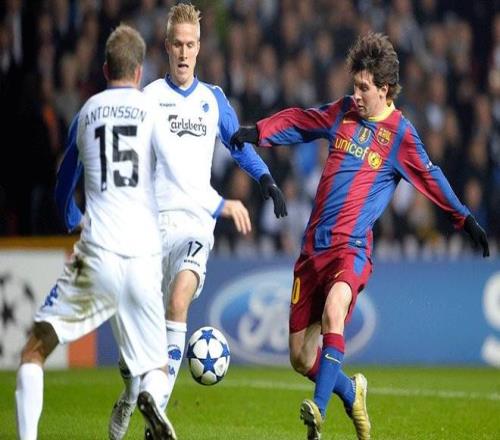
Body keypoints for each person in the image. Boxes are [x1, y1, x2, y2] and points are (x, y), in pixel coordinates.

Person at [231, 32, 490, 440]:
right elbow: (301, 120)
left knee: (335, 311)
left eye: (364, 88)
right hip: (312, 250)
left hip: (350, 249)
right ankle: (351, 393)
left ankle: (317, 410)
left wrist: (464, 218)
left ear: (384, 89)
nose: (356, 94)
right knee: (300, 357)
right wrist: (259, 132)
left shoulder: (400, 135)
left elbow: (431, 177)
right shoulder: (343, 113)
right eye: (354, 85)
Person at [108, 4, 287, 440]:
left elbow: (238, 146)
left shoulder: (213, 99)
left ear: (200, 47)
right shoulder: (149, 98)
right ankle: (132, 393)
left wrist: (266, 180)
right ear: (167, 47)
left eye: (191, 45)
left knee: (179, 301)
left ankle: (157, 414)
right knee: (138, 349)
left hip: (194, 226)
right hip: (150, 229)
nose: (185, 53)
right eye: (178, 45)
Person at [15, 25, 177, 440]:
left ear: (105, 69)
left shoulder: (86, 113)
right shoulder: (153, 112)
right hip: (142, 256)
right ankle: (151, 400)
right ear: (140, 71)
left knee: (34, 350)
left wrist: (74, 218)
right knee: (156, 367)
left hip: (98, 252)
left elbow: (62, 188)